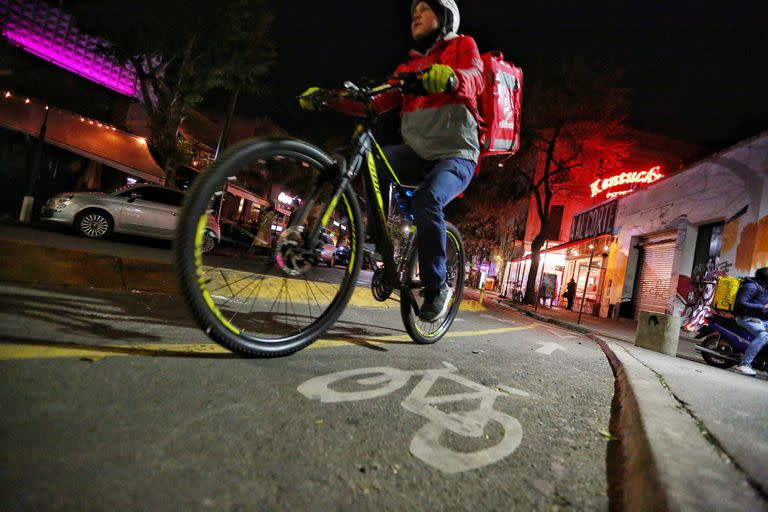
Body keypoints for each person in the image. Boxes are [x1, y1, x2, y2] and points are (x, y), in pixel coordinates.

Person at [300, 0, 484, 322]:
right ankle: (376, 237)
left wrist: (452, 79)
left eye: (425, 9)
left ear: (444, 17)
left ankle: (437, 287)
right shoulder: (408, 68)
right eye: (414, 9)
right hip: (417, 155)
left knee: (428, 199)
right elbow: (373, 103)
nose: (415, 13)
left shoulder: (462, 46)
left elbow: (475, 78)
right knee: (373, 158)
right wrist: (330, 98)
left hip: (457, 156)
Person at [732, 266, 768, 376]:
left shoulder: (765, 288)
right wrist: (762, 307)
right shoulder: (751, 286)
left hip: (760, 318)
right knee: (764, 336)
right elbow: (741, 303)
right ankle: (744, 364)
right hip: (746, 317)